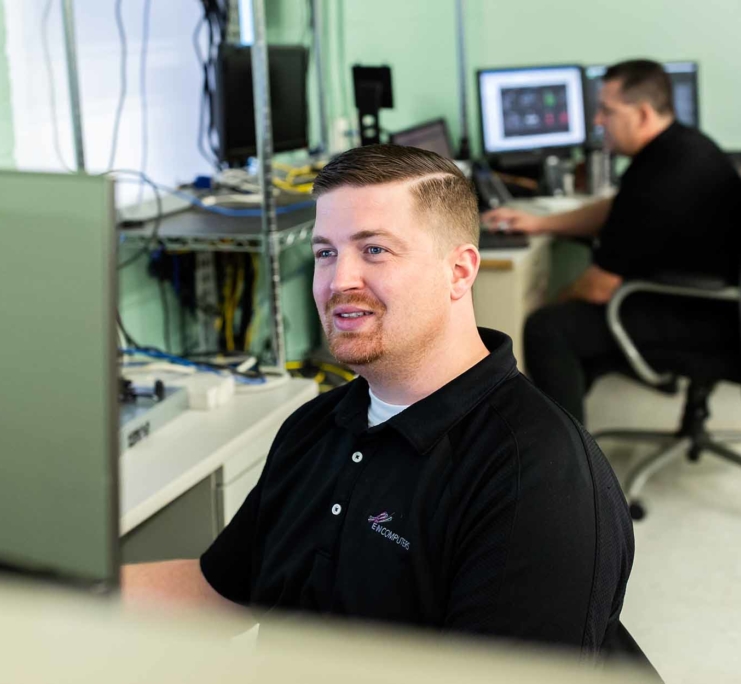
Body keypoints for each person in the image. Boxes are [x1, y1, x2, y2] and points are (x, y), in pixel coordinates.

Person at [123, 144, 634, 656]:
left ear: (459, 271)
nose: (338, 281)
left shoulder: (536, 478)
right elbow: (223, 593)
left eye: (374, 250)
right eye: (326, 252)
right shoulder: (315, 427)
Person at [483, 60, 741, 423]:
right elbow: (614, 209)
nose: (597, 120)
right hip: (719, 306)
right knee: (569, 323)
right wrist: (541, 223)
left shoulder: (660, 177)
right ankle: (566, 423)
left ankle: (566, 463)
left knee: (549, 328)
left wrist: (550, 302)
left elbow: (598, 288)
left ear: (642, 114)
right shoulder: (680, 148)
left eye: (606, 111)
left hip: (704, 320)